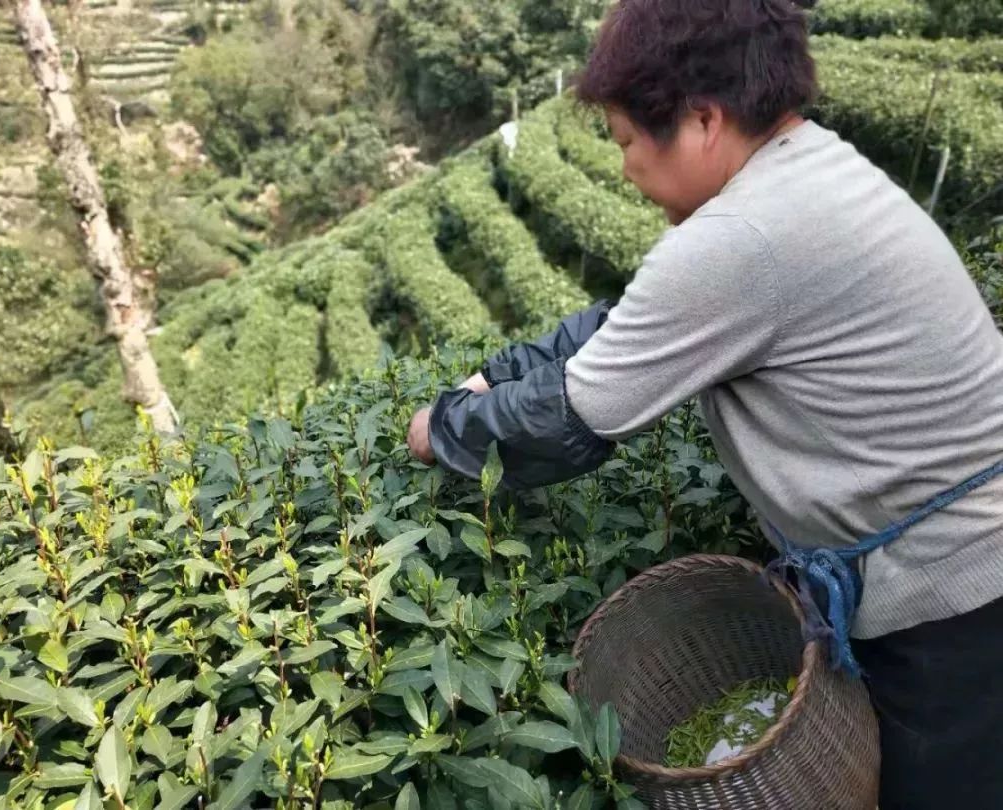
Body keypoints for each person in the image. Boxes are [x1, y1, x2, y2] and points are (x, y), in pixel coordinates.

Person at [405, 0, 1003, 807]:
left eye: (623, 143)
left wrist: (439, 431)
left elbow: (571, 423)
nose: (623, 171)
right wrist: (497, 374)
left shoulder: (744, 237)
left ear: (701, 119)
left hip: (956, 599)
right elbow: (618, 327)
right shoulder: (803, 168)